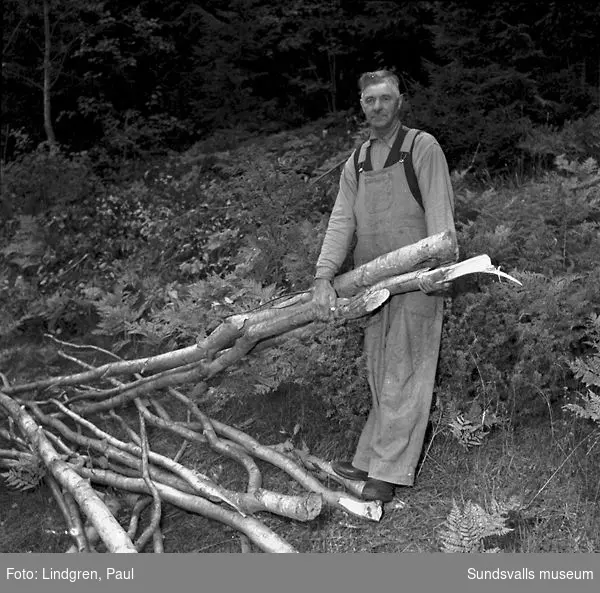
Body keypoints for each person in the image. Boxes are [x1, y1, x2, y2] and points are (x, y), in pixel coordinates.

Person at [312, 70, 457, 502]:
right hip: (370, 283)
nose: (378, 106)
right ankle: (371, 456)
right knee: (379, 368)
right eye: (369, 99)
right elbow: (342, 221)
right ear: (361, 104)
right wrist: (324, 276)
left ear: (400, 101)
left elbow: (439, 211)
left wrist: (440, 272)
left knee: (406, 370)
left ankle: (389, 472)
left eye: (386, 98)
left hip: (416, 280)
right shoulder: (355, 161)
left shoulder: (421, 147)